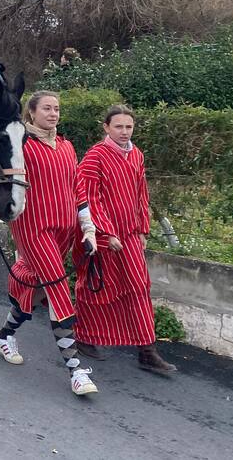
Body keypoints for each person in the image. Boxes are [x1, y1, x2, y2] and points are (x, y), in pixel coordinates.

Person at [0, 90, 101, 397]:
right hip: (33, 227)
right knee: (57, 289)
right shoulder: (22, 144)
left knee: (38, 286)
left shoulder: (66, 145)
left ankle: (4, 334)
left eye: (57, 109)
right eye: (47, 108)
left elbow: (78, 188)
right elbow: (1, 177)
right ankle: (76, 370)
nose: (54, 113)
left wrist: (88, 229)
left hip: (64, 229)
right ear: (32, 113)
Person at [73, 105, 178, 375]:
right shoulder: (95, 157)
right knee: (98, 285)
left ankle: (147, 350)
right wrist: (105, 233)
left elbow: (141, 193)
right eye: (118, 126)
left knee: (139, 286)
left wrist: (143, 229)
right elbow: (86, 196)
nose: (124, 131)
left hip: (130, 234)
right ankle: (84, 335)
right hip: (103, 236)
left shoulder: (137, 155)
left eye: (128, 127)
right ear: (106, 127)